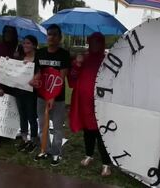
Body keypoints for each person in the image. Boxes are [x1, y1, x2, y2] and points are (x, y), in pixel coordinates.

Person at [68, 32, 112, 176]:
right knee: (88, 129)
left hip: (100, 102)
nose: (94, 45)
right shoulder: (84, 58)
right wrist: (77, 64)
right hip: (84, 102)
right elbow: (72, 78)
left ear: (102, 43)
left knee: (101, 132)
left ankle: (106, 163)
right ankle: (89, 155)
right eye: (92, 42)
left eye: (97, 42)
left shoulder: (108, 60)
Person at [30, 24, 70, 166]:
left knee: (58, 126)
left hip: (57, 98)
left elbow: (61, 77)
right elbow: (38, 72)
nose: (51, 37)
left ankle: (56, 153)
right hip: (41, 96)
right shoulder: (40, 53)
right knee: (43, 124)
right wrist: (34, 79)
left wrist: (53, 96)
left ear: (59, 37)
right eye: (49, 34)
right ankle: (44, 149)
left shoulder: (64, 54)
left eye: (54, 34)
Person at [0, 25, 23, 147]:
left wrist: (18, 57)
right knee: (0, 110)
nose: (8, 35)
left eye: (10, 33)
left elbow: (24, 65)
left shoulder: (19, 47)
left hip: (15, 84)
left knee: (13, 110)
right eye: (6, 32)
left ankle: (9, 133)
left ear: (15, 34)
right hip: (2, 84)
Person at [15, 35, 39, 153]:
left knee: (31, 117)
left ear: (34, 45)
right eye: (24, 43)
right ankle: (24, 139)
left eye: (28, 43)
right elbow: (13, 73)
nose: (25, 45)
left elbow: (39, 74)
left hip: (31, 93)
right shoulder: (20, 59)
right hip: (19, 92)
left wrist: (34, 78)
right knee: (22, 115)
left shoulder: (37, 60)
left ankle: (34, 140)